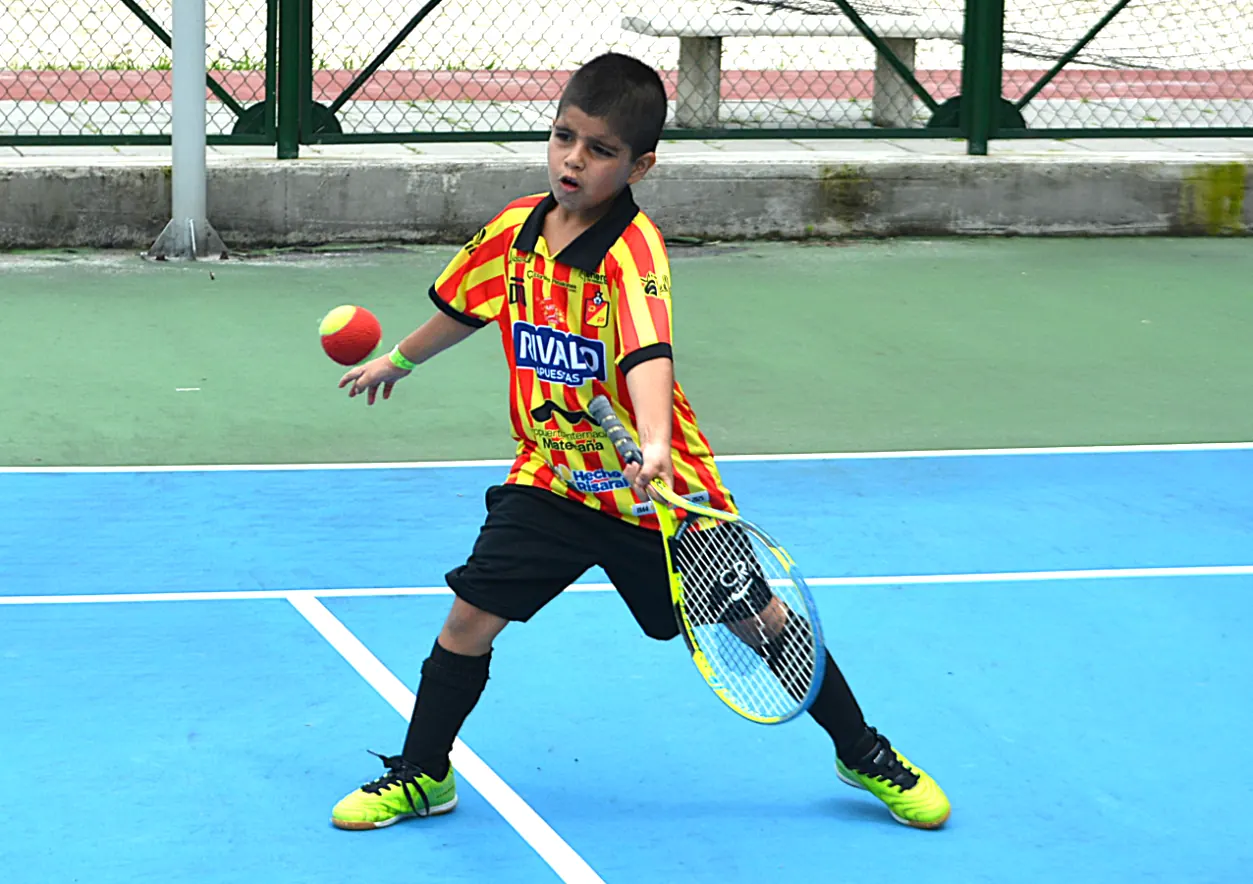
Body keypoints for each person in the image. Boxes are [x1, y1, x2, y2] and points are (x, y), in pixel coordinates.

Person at [330, 52, 950, 832]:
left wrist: (654, 441)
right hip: (554, 478)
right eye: (563, 138)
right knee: (466, 621)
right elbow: (466, 305)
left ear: (639, 165)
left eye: (599, 151)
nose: (572, 160)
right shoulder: (512, 233)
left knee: (760, 622)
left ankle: (862, 752)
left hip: (659, 491)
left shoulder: (632, 254)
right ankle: (423, 774)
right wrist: (398, 358)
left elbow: (647, 353)